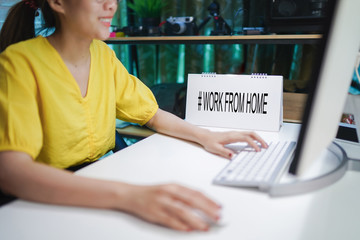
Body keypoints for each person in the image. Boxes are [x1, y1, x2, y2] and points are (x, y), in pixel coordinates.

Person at [0, 0, 267, 232]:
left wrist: (206, 136)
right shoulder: (18, 63)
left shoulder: (103, 54)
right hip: (49, 194)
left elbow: (151, 114)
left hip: (101, 174)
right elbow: (11, 172)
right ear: (58, 3)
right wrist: (129, 196)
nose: (112, 6)